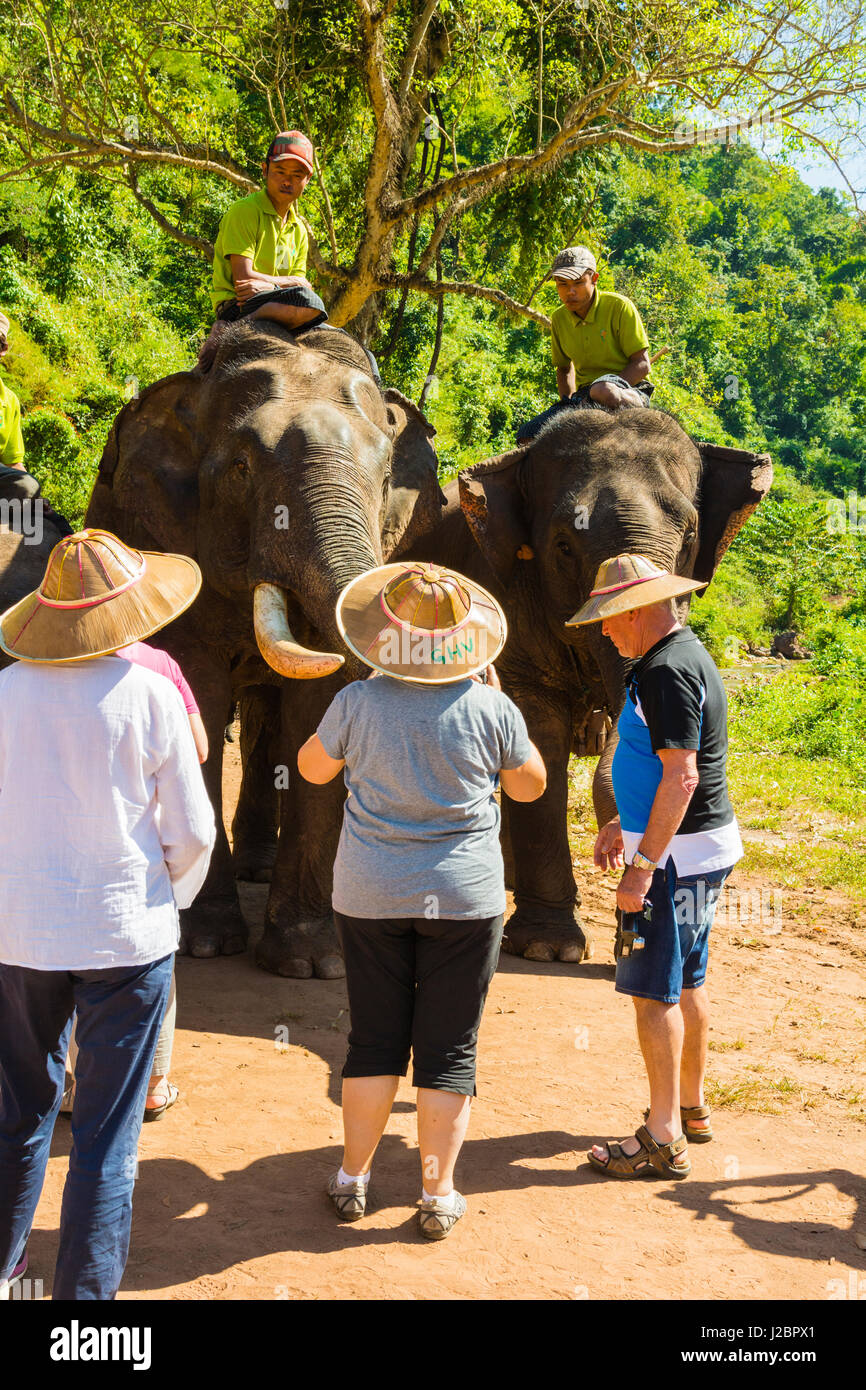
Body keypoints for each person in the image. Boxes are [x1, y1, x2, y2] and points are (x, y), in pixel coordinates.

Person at [297, 562, 546, 1239]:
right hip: (464, 898)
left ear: (384, 634)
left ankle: (353, 1179)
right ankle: (438, 1195)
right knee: (449, 1049)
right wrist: (498, 710)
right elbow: (529, 788)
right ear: (464, 643)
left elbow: (312, 769)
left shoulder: (357, 701)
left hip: (370, 893)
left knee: (374, 1038)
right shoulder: (490, 706)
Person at [0, 528, 215, 1300]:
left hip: (19, 934)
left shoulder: (4, 692)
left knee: (19, 1107)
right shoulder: (153, 693)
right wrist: (168, 900)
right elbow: (191, 831)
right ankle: (84, 1308)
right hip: (127, 936)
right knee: (106, 1131)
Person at [566, 554, 743, 1180]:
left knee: (651, 993)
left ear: (638, 611)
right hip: (699, 852)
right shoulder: (684, 655)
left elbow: (683, 775)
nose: (605, 632)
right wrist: (628, 820)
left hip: (670, 864)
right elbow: (671, 768)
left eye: (610, 619)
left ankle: (662, 1135)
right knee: (688, 982)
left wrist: (642, 864)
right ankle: (690, 1107)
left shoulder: (663, 672)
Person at [61, 639, 210, 1123]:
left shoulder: (35, 667)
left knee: (62, 973)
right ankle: (152, 1084)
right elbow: (201, 749)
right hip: (138, 860)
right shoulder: (159, 665)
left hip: (55, 862)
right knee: (149, 970)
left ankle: (74, 1087)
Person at [198, 130, 328, 370]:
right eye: (280, 172)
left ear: (307, 180)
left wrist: (272, 286)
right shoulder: (246, 211)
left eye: (296, 175)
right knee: (310, 302)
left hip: (277, 303)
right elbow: (243, 279)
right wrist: (286, 284)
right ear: (265, 169)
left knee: (349, 344)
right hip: (239, 306)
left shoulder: (299, 229)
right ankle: (231, 329)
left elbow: (300, 285)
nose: (287, 181)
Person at [516, 246, 653, 443]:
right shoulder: (559, 318)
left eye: (578, 283)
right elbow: (564, 369)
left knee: (603, 390)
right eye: (562, 284)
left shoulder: (619, 307)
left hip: (627, 390)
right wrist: (568, 404)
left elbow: (642, 364)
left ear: (594, 279)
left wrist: (605, 390)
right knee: (527, 434)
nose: (570, 291)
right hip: (584, 398)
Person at [0, 310, 72, 537]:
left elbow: (13, 463)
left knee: (32, 491)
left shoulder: (8, 400)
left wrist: (37, 497)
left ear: (3, 350)